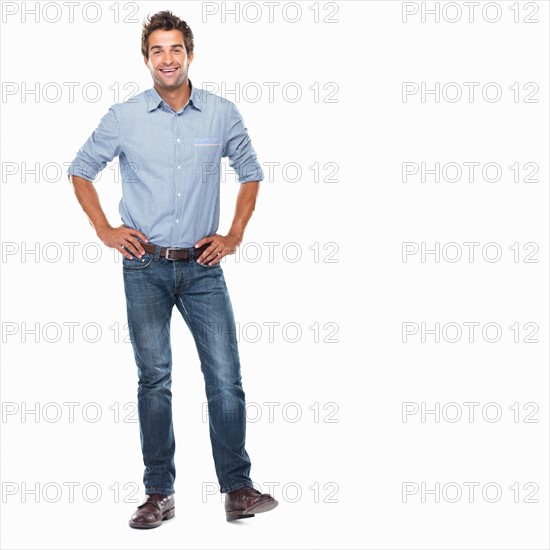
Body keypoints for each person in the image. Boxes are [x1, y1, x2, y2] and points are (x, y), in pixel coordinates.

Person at [67, 10, 277, 528]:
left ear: (190, 54)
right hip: (144, 265)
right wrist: (104, 229)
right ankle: (159, 493)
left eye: (176, 49)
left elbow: (250, 174)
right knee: (154, 379)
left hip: (204, 267)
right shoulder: (124, 116)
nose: (167, 58)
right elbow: (80, 170)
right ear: (146, 59)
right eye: (157, 50)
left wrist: (234, 235)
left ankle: (238, 490)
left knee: (225, 378)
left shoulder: (222, 114)